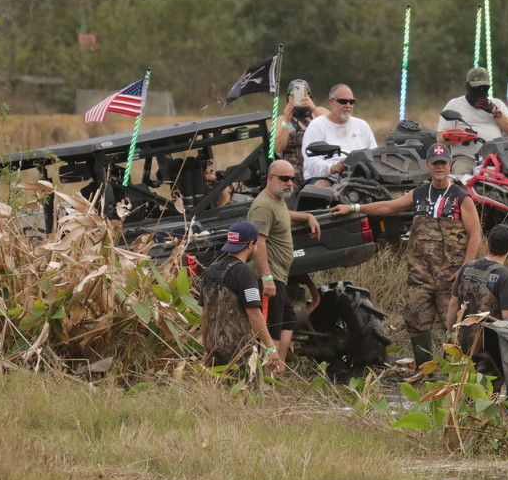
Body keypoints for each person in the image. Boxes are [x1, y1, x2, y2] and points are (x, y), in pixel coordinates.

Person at [332, 143, 482, 363]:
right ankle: (424, 368)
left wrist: (464, 270)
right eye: (435, 163)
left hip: (450, 277)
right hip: (420, 277)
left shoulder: (461, 196)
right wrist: (354, 208)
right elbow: (389, 207)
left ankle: (456, 373)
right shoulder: (419, 194)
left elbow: (475, 234)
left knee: (454, 324)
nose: (439, 167)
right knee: (416, 320)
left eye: (443, 163)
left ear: (449, 166)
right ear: (428, 166)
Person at [247, 159, 322, 372]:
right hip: (269, 277)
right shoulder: (263, 206)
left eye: (292, 179)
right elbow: (258, 244)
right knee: (272, 329)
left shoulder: (276, 200)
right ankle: (267, 377)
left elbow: (282, 216)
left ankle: (277, 368)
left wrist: (307, 216)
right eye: (284, 178)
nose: (290, 183)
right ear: (270, 179)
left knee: (287, 320)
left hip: (280, 275)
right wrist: (267, 277)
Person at [198, 221, 278, 368]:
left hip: (213, 350)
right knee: (245, 390)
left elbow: (204, 315)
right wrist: (270, 347)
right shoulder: (244, 272)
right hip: (239, 353)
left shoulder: (210, 271)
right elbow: (254, 312)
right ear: (251, 244)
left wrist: (206, 349)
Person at [447, 224, 508, 371]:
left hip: (461, 346)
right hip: (488, 354)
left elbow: (453, 304)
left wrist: (450, 335)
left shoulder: (466, 268)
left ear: (487, 244)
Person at [300, 84, 377, 187]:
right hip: (327, 177)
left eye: (351, 102)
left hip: (358, 177)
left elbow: (374, 156)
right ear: (331, 102)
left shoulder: (362, 125)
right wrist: (332, 168)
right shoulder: (317, 125)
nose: (348, 105)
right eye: (343, 101)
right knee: (321, 187)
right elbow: (310, 161)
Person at [437, 67, 508, 143]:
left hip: (494, 155)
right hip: (466, 156)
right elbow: (439, 138)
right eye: (476, 88)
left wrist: (495, 112)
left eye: (484, 88)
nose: (480, 91)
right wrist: (453, 135)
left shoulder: (497, 104)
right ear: (467, 86)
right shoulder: (454, 104)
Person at [274, 79, 326, 187]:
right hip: (293, 174)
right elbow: (278, 147)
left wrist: (313, 108)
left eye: (303, 94)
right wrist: (286, 121)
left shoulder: (318, 112)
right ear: (288, 98)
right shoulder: (282, 120)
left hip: (317, 170)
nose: (299, 98)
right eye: (295, 95)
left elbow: (332, 128)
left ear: (310, 96)